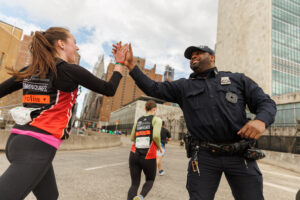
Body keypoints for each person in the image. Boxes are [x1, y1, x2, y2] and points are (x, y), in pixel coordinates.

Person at [113, 44, 277, 200]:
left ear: (212, 57)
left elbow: (266, 103)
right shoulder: (184, 86)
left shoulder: (237, 79)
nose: (193, 57)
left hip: (240, 154)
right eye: (191, 56)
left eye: (198, 53)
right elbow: (153, 88)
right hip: (204, 157)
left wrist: (261, 120)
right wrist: (132, 66)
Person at [0, 27, 126, 200]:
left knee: (50, 196)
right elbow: (109, 89)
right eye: (74, 42)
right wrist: (119, 64)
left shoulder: (31, 69)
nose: (77, 47)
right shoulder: (69, 70)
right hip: (37, 146)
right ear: (61, 44)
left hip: (18, 140)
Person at [127, 100, 163, 200]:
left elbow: (131, 138)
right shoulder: (157, 120)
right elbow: (156, 136)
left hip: (134, 153)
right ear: (154, 109)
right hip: (148, 155)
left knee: (134, 184)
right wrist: (159, 146)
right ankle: (141, 196)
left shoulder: (138, 120)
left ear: (145, 109)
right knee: (150, 179)